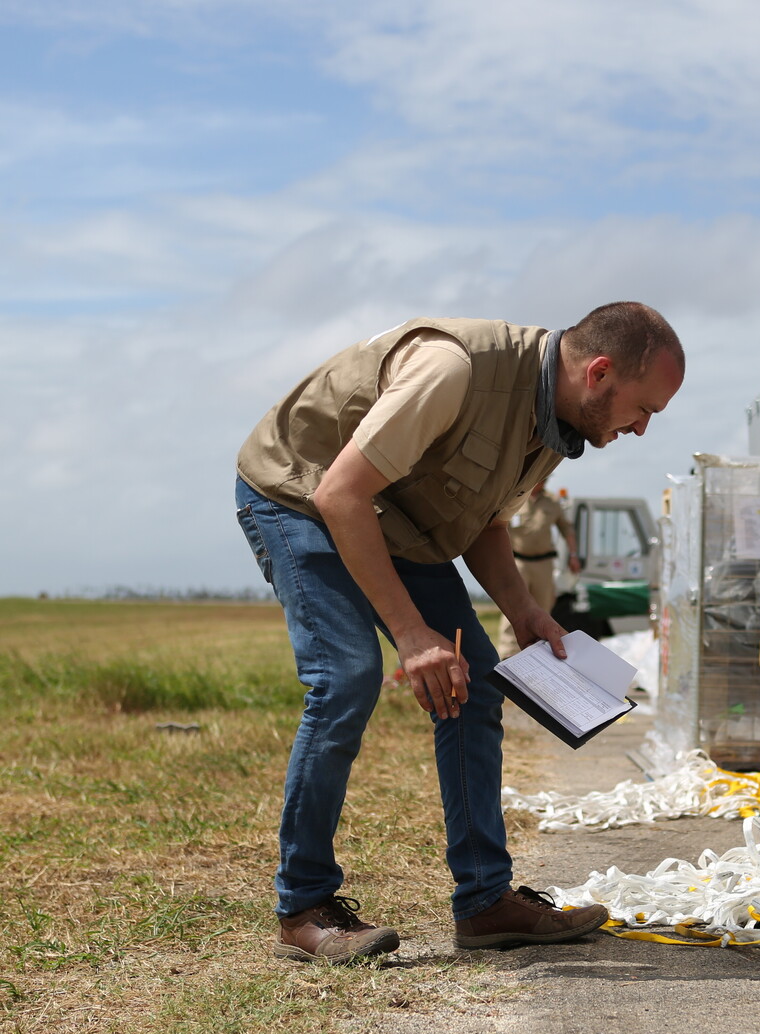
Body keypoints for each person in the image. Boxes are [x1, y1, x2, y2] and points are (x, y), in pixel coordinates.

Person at [233, 303, 684, 963]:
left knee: (473, 681)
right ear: (600, 372)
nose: (641, 428)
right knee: (347, 676)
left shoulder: (553, 424)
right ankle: (303, 907)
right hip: (299, 494)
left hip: (397, 516)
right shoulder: (453, 370)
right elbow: (340, 495)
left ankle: (484, 902)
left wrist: (524, 609)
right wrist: (412, 634)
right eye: (644, 409)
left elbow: (483, 521)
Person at [496, 482, 579, 660]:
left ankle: (540, 654)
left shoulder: (553, 501)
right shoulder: (514, 496)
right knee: (513, 604)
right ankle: (509, 654)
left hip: (544, 562)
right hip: (517, 561)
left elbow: (566, 529)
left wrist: (573, 555)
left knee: (543, 608)